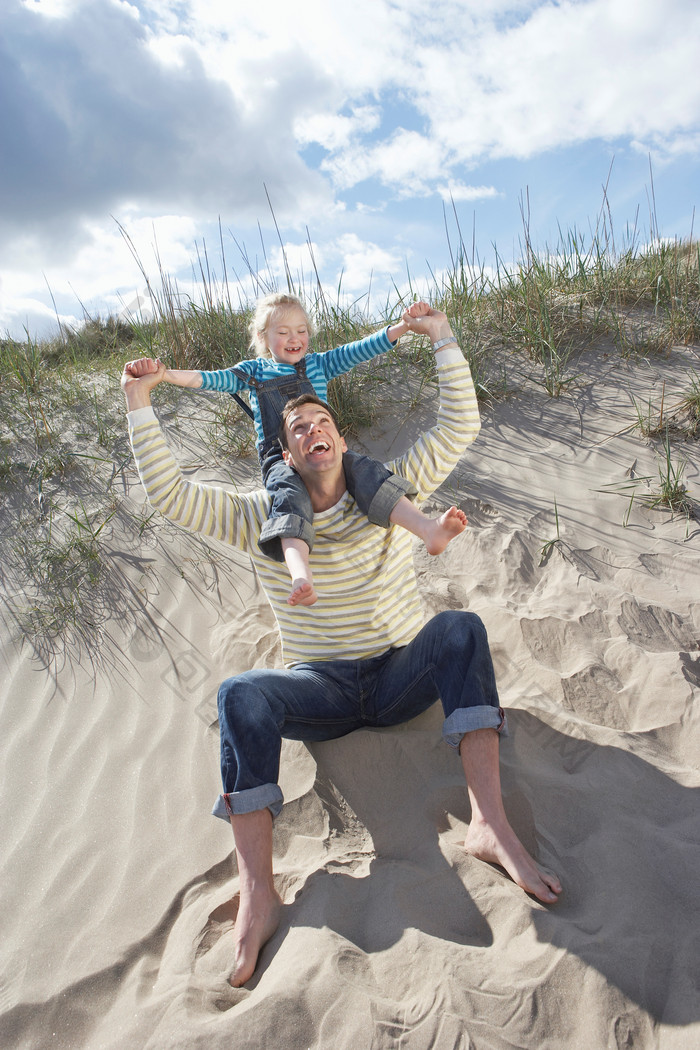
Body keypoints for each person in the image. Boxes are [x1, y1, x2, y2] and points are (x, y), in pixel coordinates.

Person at [122, 303, 561, 989]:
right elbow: (172, 496)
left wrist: (442, 338)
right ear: (284, 451)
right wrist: (139, 403)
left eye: (322, 421)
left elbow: (460, 425)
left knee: (460, 629)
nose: (312, 430)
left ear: (341, 440)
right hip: (320, 692)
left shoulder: (387, 492)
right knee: (241, 694)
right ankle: (260, 890)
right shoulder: (261, 518)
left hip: (397, 676)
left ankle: (489, 822)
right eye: (297, 428)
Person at [125, 294, 467, 607]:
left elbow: (362, 348)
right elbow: (208, 379)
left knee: (368, 473)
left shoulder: (318, 364)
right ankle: (301, 574)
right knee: (289, 501)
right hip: (281, 458)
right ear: (263, 338)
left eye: (301, 331)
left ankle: (426, 529)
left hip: (326, 452)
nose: (294, 339)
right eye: (284, 332)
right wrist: (165, 374)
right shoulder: (252, 372)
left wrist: (403, 327)